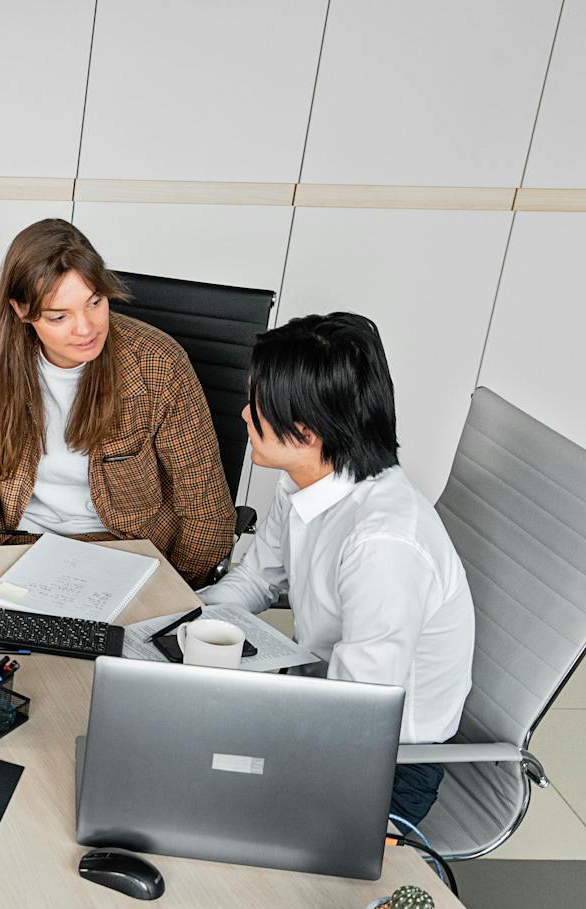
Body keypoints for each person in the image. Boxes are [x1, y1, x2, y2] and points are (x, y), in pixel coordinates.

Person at [199, 312, 475, 824]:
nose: (242, 415)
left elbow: (356, 716)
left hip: (385, 764)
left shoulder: (384, 546)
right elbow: (259, 578)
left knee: (207, 802)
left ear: (305, 433)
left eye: (256, 406)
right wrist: (188, 627)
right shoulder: (307, 482)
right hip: (322, 707)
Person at [0, 218, 235, 587]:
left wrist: (172, 594)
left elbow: (207, 513)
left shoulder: (157, 364)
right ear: (20, 310)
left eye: (95, 302)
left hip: (123, 556)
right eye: (59, 316)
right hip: (15, 546)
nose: (86, 328)